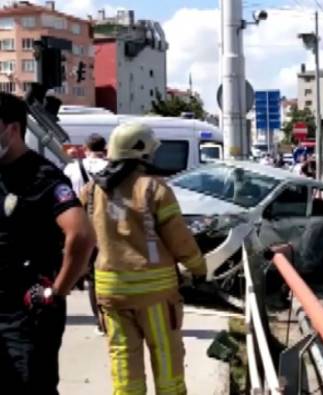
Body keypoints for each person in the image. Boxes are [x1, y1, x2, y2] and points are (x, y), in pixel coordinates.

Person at [81, 122, 207, 394]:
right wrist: (198, 268)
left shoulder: (91, 190)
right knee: (165, 357)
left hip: (110, 292)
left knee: (123, 360)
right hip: (155, 294)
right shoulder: (154, 189)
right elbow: (180, 240)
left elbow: (81, 236)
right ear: (142, 152)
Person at [0, 92, 96, 393]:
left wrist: (57, 291)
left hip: (27, 312)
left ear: (12, 129)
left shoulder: (41, 176)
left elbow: (82, 235)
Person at [63, 134, 108, 334]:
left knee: (91, 275)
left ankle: (98, 319)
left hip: (78, 223)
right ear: (104, 148)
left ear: (85, 148)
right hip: (104, 226)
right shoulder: (109, 168)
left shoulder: (72, 168)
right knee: (105, 272)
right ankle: (108, 317)